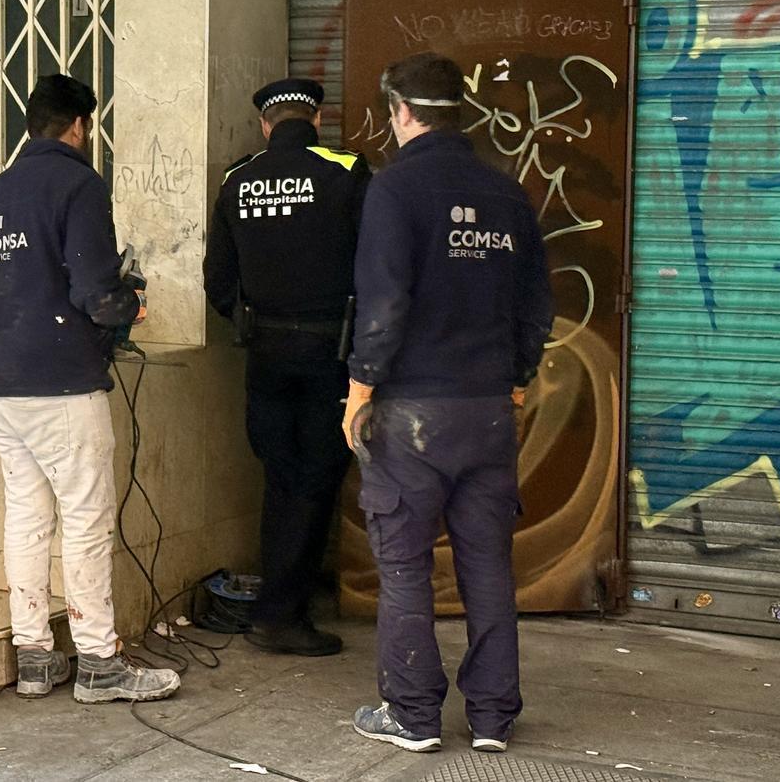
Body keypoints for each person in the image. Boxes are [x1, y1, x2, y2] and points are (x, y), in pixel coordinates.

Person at [342, 53, 553, 753]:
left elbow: (383, 303)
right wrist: (516, 378)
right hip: (489, 406)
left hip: (412, 411)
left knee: (404, 565)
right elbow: (534, 305)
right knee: (487, 564)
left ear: (401, 111)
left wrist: (359, 388)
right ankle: (493, 718)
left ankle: (412, 714)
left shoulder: (395, 190)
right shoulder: (506, 193)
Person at [0, 74, 180, 705]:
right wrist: (129, 305)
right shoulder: (78, 184)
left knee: (27, 516)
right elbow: (94, 291)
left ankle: (34, 655)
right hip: (60, 383)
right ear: (80, 127)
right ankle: (98, 662)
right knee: (86, 521)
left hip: (0, 380)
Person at [204, 78, 371, 656]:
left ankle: (280, 606)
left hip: (266, 355)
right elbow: (376, 264)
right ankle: (282, 615)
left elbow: (218, 281)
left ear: (265, 125)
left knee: (281, 477)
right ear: (317, 118)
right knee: (317, 479)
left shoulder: (237, 179)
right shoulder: (346, 171)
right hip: (329, 353)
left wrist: (251, 320)